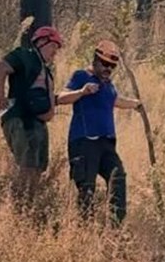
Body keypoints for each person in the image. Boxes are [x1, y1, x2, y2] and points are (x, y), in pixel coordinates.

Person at [55, 40, 144, 223]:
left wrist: (135, 105)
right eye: (104, 64)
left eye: (112, 66)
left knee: (118, 178)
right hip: (84, 142)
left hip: (106, 144)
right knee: (87, 189)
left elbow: (115, 101)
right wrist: (82, 91)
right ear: (95, 60)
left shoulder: (108, 85)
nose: (108, 69)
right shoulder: (81, 76)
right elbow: (61, 98)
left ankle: (116, 229)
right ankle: (83, 231)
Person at [0, 25, 63, 203]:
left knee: (37, 168)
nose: (55, 51)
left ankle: (29, 207)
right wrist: (1, 99)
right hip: (20, 120)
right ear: (41, 42)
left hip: (38, 124)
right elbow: (0, 69)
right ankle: (18, 206)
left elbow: (51, 99)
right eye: (53, 45)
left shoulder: (46, 72)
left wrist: (81, 93)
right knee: (26, 165)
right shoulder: (25, 55)